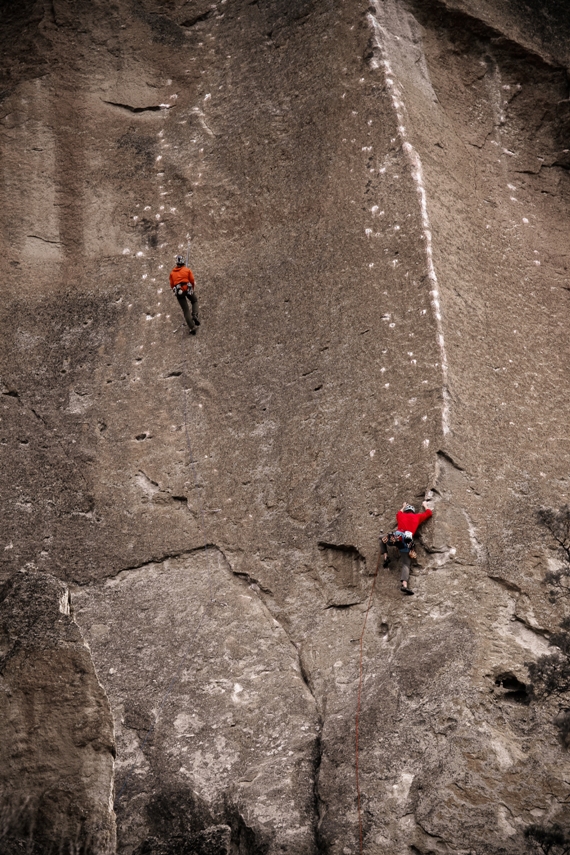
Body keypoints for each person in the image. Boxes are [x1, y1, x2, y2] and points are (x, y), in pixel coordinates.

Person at [380, 501, 433, 595]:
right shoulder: (417, 517)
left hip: (396, 537)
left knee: (382, 538)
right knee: (405, 564)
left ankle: (386, 557)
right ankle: (404, 585)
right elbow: (429, 513)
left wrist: (403, 506)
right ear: (413, 512)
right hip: (407, 541)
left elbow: (398, 512)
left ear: (406, 511)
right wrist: (425, 505)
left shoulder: (401, 515)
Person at [170, 255, 200, 334]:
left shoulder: (172, 273)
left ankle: (192, 327)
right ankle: (195, 315)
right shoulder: (187, 270)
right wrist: (192, 289)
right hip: (187, 288)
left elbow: (172, 285)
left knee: (185, 310)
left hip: (179, 291)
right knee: (194, 300)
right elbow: (192, 280)